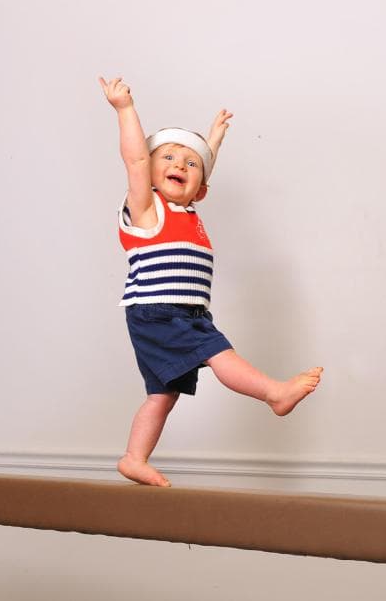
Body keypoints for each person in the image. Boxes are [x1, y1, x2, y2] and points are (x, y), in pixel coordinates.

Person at [99, 76, 324, 488]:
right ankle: (274, 394)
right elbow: (135, 160)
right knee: (219, 353)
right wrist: (125, 110)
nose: (179, 166)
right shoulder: (147, 210)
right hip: (160, 311)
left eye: (190, 165)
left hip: (182, 313)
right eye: (168, 158)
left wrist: (212, 141)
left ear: (201, 188)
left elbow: (200, 172)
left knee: (162, 394)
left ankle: (134, 457)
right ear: (149, 173)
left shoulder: (188, 212)